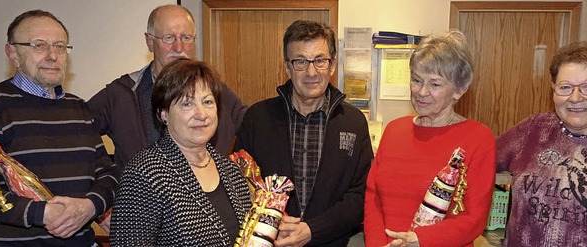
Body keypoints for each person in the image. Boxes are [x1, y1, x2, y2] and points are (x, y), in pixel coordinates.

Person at [234, 20, 373, 246]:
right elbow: (239, 182)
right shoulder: (257, 118)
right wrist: (273, 222)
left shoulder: (353, 123)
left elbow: (360, 196)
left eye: (319, 60)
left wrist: (312, 230)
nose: (311, 72)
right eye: (300, 61)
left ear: (332, 64)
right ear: (287, 67)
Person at [0, 10, 119, 246]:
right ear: (13, 54)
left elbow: (107, 173)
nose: (52, 55)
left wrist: (92, 206)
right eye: (39, 45)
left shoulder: (79, 108)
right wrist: (42, 213)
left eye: (60, 46)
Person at [364, 30, 496, 247]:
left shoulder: (478, 138)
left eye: (435, 84)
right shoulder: (394, 130)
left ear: (460, 89)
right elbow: (373, 198)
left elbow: (474, 219)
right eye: (416, 80)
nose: (422, 91)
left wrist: (421, 240)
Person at [497, 41, 587, 246]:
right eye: (565, 87)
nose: (575, 98)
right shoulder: (535, 129)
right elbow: (478, 163)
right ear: (554, 91)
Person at [88, 4, 247, 172]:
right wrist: (107, 180)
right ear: (150, 42)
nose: (179, 48)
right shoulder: (121, 94)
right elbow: (77, 134)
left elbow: (254, 128)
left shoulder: (215, 90)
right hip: (140, 196)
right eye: (169, 38)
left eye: (186, 38)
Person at [110, 59, 251, 246]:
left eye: (208, 102)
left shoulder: (231, 172)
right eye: (187, 104)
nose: (201, 114)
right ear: (164, 113)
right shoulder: (144, 174)